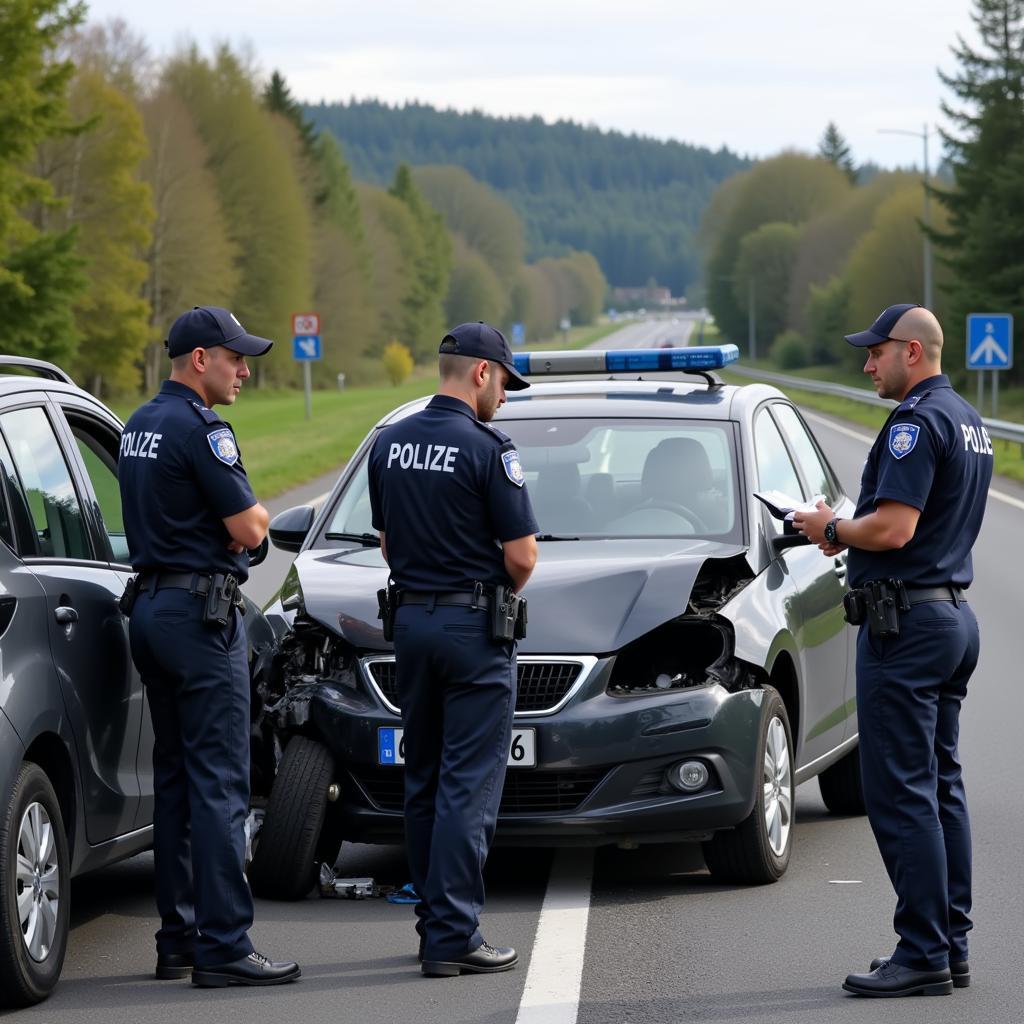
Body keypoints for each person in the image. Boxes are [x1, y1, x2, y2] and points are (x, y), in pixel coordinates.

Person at [793, 304, 992, 998]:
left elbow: (896, 528)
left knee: (900, 794)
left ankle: (922, 952)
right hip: (947, 619)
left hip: (904, 629)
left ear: (913, 351)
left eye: (876, 353)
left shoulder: (914, 424)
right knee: (940, 788)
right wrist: (850, 531)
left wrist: (833, 527)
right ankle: (950, 943)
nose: (867, 364)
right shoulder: (967, 418)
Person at [119, 306, 301, 988]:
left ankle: (180, 939)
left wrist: (230, 528)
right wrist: (241, 528)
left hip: (153, 611)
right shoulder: (203, 431)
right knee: (222, 785)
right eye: (236, 358)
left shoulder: (137, 424)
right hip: (202, 619)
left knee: (175, 783)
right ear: (201, 359)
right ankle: (225, 944)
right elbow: (251, 526)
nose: (245, 370)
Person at [367, 321, 539, 977]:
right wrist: (490, 584)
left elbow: (387, 544)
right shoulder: (489, 448)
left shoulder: (390, 443)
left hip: (409, 626)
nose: (504, 396)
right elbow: (521, 556)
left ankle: (431, 925)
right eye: (503, 382)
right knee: (469, 785)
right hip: (473, 631)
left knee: (425, 780)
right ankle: (454, 935)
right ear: (479, 373)